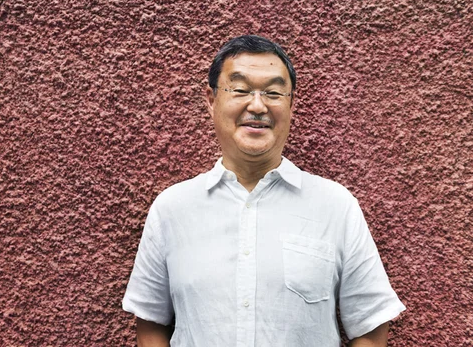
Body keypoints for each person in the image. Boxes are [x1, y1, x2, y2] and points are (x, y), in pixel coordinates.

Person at [122, 35, 405, 346]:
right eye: (240, 90)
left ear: (291, 104)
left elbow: (371, 327)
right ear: (212, 100)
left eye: (272, 92)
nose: (257, 106)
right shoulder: (172, 209)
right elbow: (150, 324)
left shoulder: (336, 207)